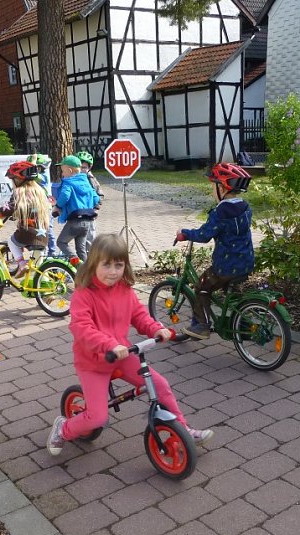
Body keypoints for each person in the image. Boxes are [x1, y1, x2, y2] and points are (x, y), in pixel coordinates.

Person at [46, 233, 212, 456]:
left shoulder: (125, 290)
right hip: (93, 362)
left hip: (122, 355)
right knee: (98, 417)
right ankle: (63, 428)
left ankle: (183, 429)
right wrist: (108, 344)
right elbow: (82, 328)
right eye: (106, 265)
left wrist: (156, 329)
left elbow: (138, 315)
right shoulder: (83, 294)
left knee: (160, 386)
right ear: (94, 263)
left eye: (119, 265)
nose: (113, 271)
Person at [176, 163, 254, 340]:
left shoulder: (220, 213)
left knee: (202, 287)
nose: (212, 190)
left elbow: (204, 235)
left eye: (213, 186)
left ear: (222, 187)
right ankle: (244, 323)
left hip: (226, 266)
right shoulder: (246, 207)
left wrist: (185, 233)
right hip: (246, 262)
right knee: (234, 292)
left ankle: (201, 326)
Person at [0, 161, 50, 277]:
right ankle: (44, 284)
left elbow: (8, 208)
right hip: (43, 233)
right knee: (38, 264)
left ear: (17, 179)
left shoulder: (19, 192)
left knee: (12, 242)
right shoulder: (40, 191)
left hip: (27, 233)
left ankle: (22, 263)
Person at [52, 155, 100, 262]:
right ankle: (85, 273)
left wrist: (58, 206)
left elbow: (65, 195)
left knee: (61, 242)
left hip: (75, 220)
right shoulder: (86, 182)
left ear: (69, 170)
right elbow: (96, 198)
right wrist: (86, 203)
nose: (63, 174)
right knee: (81, 249)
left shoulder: (68, 182)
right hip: (87, 221)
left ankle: (75, 262)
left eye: (63, 171)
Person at [26, 152, 57, 256]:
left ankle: (52, 252)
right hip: (36, 208)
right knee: (37, 229)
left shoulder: (43, 177)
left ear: (40, 168)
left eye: (36, 167)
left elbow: (33, 173)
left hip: (45, 208)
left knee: (48, 230)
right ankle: (40, 251)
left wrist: (33, 162)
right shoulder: (34, 179)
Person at [76, 151, 104, 254]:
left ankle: (91, 258)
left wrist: (96, 208)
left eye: (84, 167)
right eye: (80, 167)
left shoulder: (91, 179)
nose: (82, 170)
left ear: (89, 168)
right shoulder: (73, 178)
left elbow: (100, 194)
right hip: (76, 214)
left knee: (89, 238)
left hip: (89, 213)